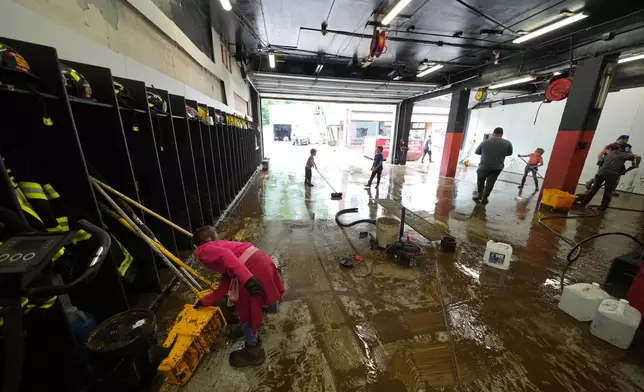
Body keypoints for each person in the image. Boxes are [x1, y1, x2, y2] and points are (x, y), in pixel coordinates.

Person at [193, 226, 285, 367]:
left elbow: (225, 255)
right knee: (264, 293)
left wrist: (247, 278)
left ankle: (253, 352)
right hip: (261, 260)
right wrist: (206, 301)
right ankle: (267, 309)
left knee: (246, 312)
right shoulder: (221, 244)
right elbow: (227, 279)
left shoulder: (203, 250)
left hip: (251, 269)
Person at [580, 143, 640, 210]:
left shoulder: (608, 155)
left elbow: (600, 164)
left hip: (601, 173)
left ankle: (583, 203)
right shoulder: (623, 154)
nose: (606, 151)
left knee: (594, 189)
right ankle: (603, 207)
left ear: (610, 149)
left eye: (607, 150)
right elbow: (638, 157)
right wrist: (637, 164)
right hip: (612, 175)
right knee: (608, 192)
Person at [473, 127, 513, 204]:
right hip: (497, 167)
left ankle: (480, 195)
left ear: (493, 133)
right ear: (502, 134)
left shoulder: (485, 142)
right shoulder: (507, 143)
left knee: (480, 181)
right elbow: (509, 153)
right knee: (490, 183)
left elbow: (477, 152)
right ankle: (485, 198)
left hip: (484, 166)